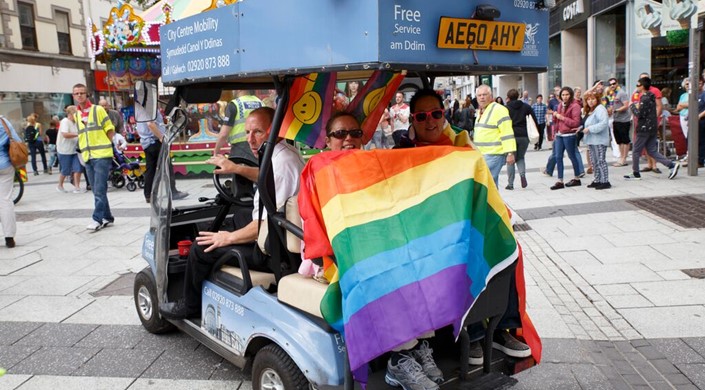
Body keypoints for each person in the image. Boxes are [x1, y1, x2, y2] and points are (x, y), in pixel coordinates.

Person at [160, 107, 305, 319]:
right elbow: (266, 178)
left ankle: (189, 306)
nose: (250, 140)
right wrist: (236, 169)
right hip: (278, 234)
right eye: (247, 132)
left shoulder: (281, 165)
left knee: (201, 247)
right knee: (238, 216)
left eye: (258, 132)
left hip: (275, 252)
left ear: (275, 130)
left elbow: (263, 225)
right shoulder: (282, 153)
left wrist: (227, 238)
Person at [72, 83, 116, 231]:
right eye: (76, 93)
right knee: (97, 189)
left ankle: (97, 219)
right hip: (87, 155)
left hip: (101, 155)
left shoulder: (97, 110)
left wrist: (107, 145)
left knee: (99, 189)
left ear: (87, 94)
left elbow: (110, 129)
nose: (79, 96)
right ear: (73, 96)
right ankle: (107, 217)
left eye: (82, 93)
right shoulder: (77, 114)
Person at [624, 77, 680, 180]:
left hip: (644, 128)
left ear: (643, 86)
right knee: (651, 150)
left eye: (638, 85)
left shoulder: (644, 98)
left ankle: (636, 173)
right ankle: (671, 165)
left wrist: (632, 106)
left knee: (636, 151)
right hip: (652, 127)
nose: (636, 87)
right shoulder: (651, 96)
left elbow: (640, 114)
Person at [135, 110, 189, 203]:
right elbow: (150, 124)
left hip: (147, 142)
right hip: (155, 141)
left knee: (151, 169)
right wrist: (161, 137)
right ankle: (172, 192)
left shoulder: (140, 108)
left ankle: (149, 195)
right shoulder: (149, 106)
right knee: (167, 166)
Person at [474, 85, 516, 187]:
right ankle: (494, 203)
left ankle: (490, 202)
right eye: (479, 95)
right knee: (491, 184)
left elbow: (507, 132)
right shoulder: (481, 111)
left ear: (491, 96)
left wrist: (510, 153)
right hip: (483, 153)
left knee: (486, 183)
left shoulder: (499, 109)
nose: (482, 97)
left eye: (484, 94)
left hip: (494, 154)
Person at [213, 90, 263, 163]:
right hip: (259, 148)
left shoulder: (234, 104)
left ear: (238, 89)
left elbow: (224, 134)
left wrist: (215, 152)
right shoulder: (260, 102)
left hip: (240, 150)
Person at [550, 87, 584, 190]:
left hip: (569, 135)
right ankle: (560, 180)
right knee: (558, 156)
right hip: (560, 134)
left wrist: (562, 117)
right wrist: (555, 119)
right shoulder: (560, 105)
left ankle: (577, 178)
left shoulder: (575, 106)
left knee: (572, 156)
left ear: (571, 95)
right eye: (563, 95)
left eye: (567, 95)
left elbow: (575, 122)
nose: (565, 97)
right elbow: (557, 121)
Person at [504, 89, 537, 190]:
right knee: (521, 157)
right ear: (518, 96)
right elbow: (534, 119)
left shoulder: (505, 108)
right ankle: (522, 176)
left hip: (510, 136)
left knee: (510, 160)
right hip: (523, 135)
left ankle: (510, 184)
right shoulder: (526, 106)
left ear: (508, 97)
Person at [631, 72, 663, 173]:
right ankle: (649, 164)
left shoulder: (654, 91)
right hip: (641, 121)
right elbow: (636, 105)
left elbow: (659, 106)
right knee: (646, 146)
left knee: (647, 146)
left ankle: (653, 165)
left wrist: (655, 119)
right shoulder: (638, 93)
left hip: (648, 122)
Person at [582, 92, 611, 189]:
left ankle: (605, 180)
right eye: (588, 99)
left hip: (599, 139)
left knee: (600, 160)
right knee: (594, 161)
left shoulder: (600, 109)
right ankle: (597, 179)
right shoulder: (591, 110)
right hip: (591, 140)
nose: (590, 101)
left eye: (593, 99)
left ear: (597, 99)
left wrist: (590, 129)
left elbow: (603, 123)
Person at [0, 115, 20, 248]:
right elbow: (16, 140)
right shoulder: (2, 120)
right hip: (5, 165)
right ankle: (9, 237)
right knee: (5, 200)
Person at [56, 106, 83, 193]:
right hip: (64, 150)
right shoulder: (65, 121)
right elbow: (65, 134)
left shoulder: (75, 123)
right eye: (75, 114)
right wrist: (77, 134)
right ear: (70, 114)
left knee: (78, 168)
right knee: (66, 169)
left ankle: (77, 187)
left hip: (74, 150)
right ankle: (60, 185)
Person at [609, 78, 631, 167]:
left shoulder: (621, 93)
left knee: (625, 140)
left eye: (613, 83)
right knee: (619, 140)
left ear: (617, 83)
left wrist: (616, 110)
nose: (612, 85)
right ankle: (621, 157)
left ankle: (624, 159)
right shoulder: (612, 94)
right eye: (610, 84)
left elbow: (626, 105)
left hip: (624, 119)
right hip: (616, 119)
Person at [676, 78, 690, 161]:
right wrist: (684, 104)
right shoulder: (683, 95)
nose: (688, 86)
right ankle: (688, 153)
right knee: (686, 136)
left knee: (691, 136)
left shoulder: (694, 94)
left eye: (689, 84)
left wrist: (682, 105)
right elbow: (678, 107)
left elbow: (693, 103)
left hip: (691, 116)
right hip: (682, 116)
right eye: (686, 84)